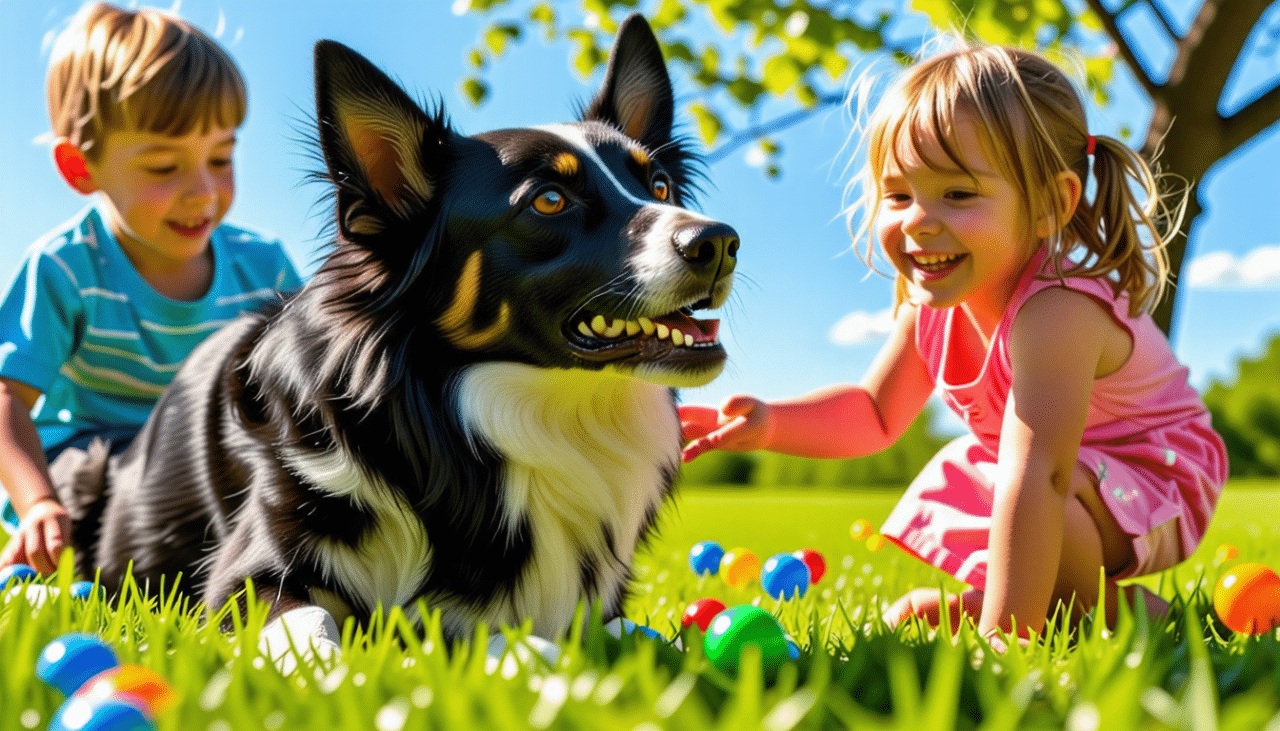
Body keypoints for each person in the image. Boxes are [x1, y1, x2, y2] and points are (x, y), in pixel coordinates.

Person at [680, 42, 1227, 644]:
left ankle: (1126, 618)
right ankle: (1050, 606)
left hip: (1159, 479)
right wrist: (771, 424)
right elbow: (873, 414)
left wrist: (1003, 640)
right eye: (897, 195)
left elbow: (1041, 476)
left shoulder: (1057, 310)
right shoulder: (931, 308)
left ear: (1051, 204)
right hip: (1062, 480)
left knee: (1034, 492)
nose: (918, 219)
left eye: (958, 194)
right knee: (1012, 491)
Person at [0, 3, 302, 575]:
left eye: (221, 157)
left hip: (206, 459)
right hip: (97, 466)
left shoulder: (263, 266)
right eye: (164, 167)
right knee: (87, 486)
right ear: (80, 168)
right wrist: (36, 502)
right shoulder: (65, 269)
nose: (203, 192)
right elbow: (7, 399)